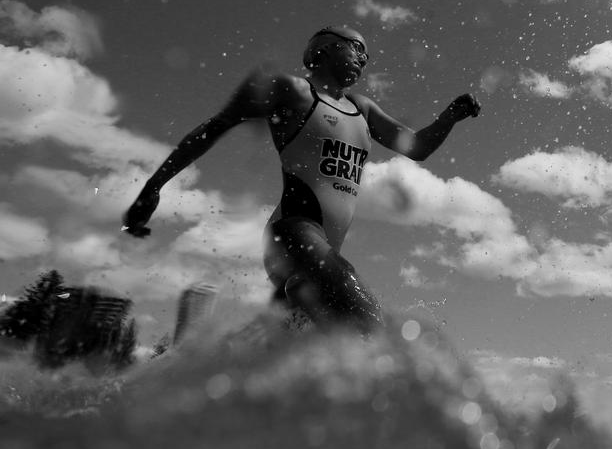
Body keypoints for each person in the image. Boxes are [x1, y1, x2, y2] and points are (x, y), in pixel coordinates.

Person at [122, 26, 480, 334]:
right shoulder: (293, 91)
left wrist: (449, 117)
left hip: (319, 257)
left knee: (289, 352)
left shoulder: (362, 109)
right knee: (362, 316)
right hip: (293, 233)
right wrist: (152, 187)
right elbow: (217, 126)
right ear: (322, 50)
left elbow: (416, 147)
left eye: (367, 55)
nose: (363, 58)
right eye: (356, 47)